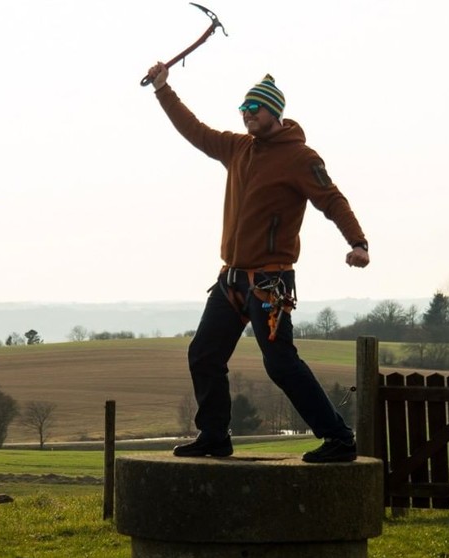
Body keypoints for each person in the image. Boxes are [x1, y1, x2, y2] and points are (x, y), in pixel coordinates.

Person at [145, 62, 370, 463]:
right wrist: (164, 89)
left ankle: (339, 438)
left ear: (274, 112)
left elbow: (331, 199)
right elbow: (195, 131)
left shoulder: (300, 157)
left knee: (280, 364)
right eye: (243, 107)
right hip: (230, 281)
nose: (247, 113)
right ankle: (214, 436)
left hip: (271, 284)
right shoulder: (237, 148)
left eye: (255, 107)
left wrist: (357, 242)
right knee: (204, 354)